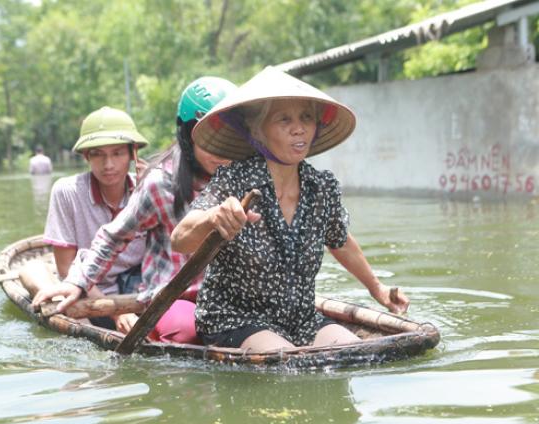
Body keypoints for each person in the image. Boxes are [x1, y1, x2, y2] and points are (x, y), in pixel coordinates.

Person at [170, 66, 410, 352]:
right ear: (258, 131)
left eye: (306, 118)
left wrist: (377, 289)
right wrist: (213, 218)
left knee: (357, 353)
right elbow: (180, 239)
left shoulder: (321, 187)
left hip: (300, 319)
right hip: (235, 319)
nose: (299, 128)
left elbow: (340, 241)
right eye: (284, 119)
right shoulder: (235, 180)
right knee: (286, 361)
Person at [33, 77, 238, 344]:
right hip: (170, 295)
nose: (220, 150)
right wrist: (77, 284)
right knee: (187, 332)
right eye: (209, 139)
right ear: (189, 137)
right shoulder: (160, 184)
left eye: (229, 138)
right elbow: (111, 239)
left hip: (227, 295)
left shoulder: (247, 176)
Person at [43, 106, 148, 332]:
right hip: (88, 291)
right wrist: (115, 311)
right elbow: (66, 269)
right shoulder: (67, 192)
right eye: (98, 154)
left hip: (140, 290)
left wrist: (152, 194)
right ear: (86, 156)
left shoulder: (150, 189)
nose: (108, 165)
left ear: (133, 154)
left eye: (118, 153)